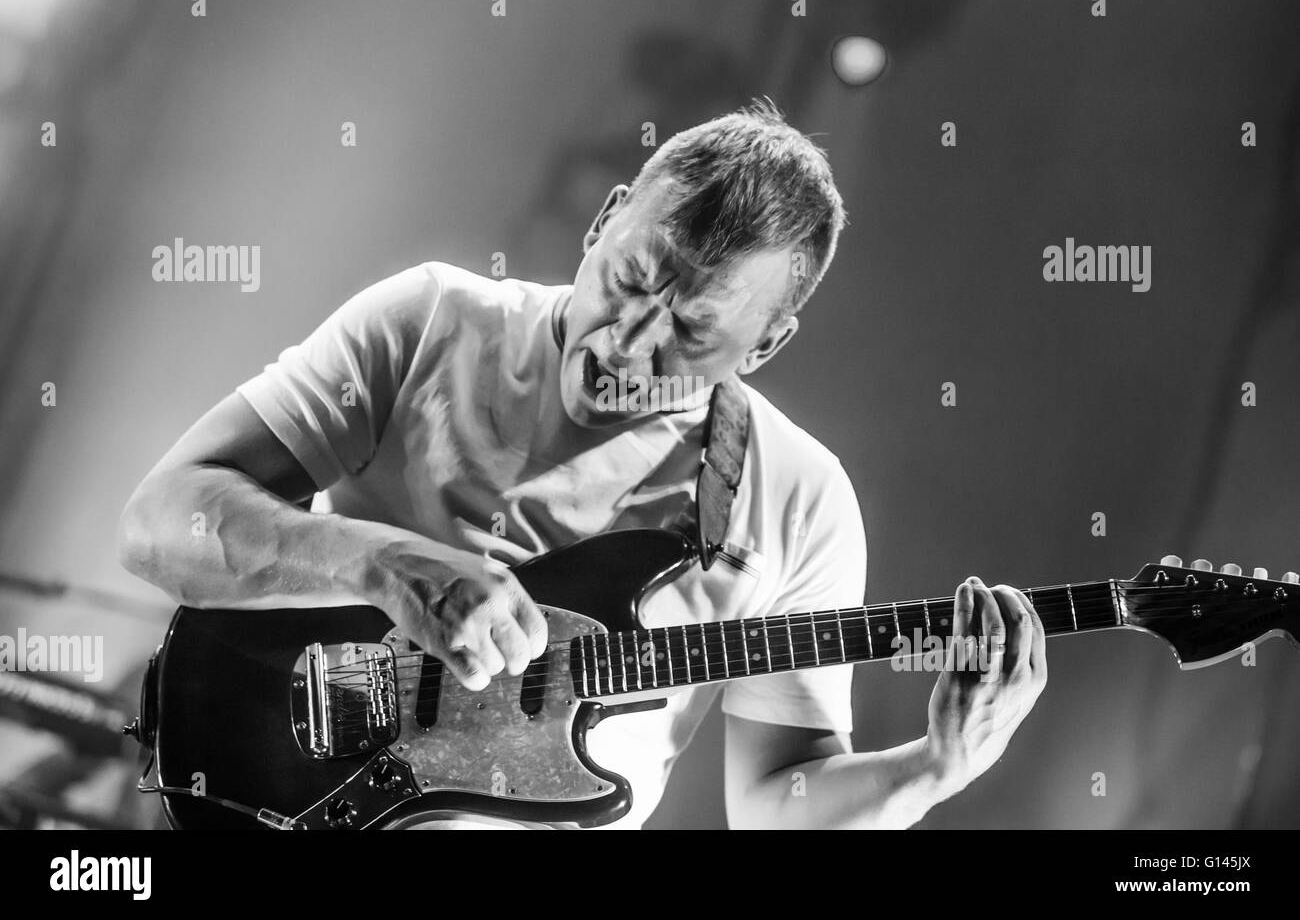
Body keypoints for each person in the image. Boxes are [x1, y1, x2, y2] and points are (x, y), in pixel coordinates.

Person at [117, 98, 1049, 829]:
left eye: (690, 330)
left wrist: (935, 769)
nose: (627, 345)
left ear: (765, 347)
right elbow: (161, 524)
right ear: (606, 220)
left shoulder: (798, 500)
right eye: (632, 280)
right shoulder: (431, 319)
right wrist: (381, 562)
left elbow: (777, 805)